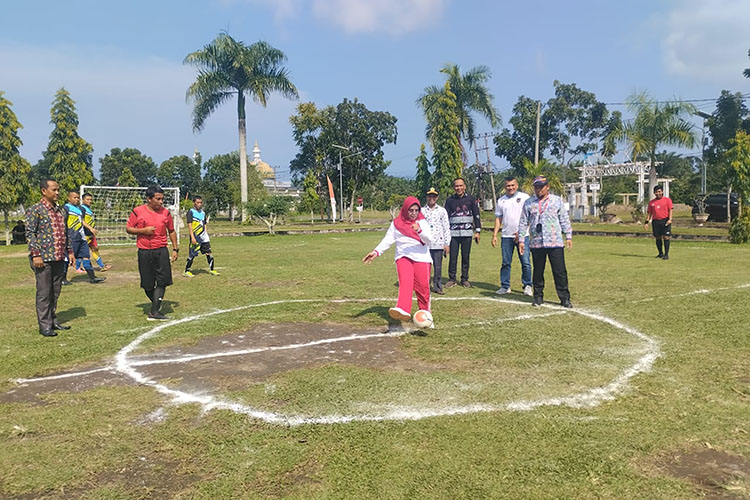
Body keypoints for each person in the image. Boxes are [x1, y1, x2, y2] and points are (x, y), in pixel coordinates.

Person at [363, 196, 433, 324]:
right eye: (411, 210)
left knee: (423, 289)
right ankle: (402, 309)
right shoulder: (396, 223)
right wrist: (376, 252)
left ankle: (426, 316)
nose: (413, 213)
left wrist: (419, 230)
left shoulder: (422, 222)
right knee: (405, 282)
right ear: (405, 209)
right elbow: (388, 239)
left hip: (422, 258)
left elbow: (428, 239)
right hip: (403, 256)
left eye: (416, 210)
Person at [25, 179, 73, 337]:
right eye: (54, 190)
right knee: (44, 292)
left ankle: (53, 319)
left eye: (58, 189)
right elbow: (30, 233)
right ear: (44, 191)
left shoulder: (61, 211)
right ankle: (44, 325)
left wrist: (70, 251)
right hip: (43, 258)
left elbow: (66, 232)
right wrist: (35, 254)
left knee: (55, 291)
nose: (57, 192)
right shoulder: (36, 210)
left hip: (59, 256)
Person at [518, 176, 573, 308]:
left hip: (555, 241)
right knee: (538, 271)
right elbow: (523, 222)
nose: (538, 189)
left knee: (559, 271)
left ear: (547, 187)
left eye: (541, 187)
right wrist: (521, 239)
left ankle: (564, 298)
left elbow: (564, 219)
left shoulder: (556, 201)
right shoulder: (529, 203)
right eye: (536, 187)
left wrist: (569, 236)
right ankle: (538, 297)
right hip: (537, 242)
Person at [126, 186, 179, 321]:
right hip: (144, 252)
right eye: (158, 199)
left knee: (163, 280)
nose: (161, 202)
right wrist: (143, 230)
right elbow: (129, 229)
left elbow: (171, 231)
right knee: (148, 284)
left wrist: (175, 248)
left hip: (161, 250)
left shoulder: (165, 213)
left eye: (162, 199)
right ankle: (156, 302)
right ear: (149, 199)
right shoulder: (138, 212)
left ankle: (154, 311)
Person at [491, 177, 532, 296]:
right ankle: (505, 286)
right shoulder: (501, 200)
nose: (511, 188)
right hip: (506, 236)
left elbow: (530, 216)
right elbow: (498, 218)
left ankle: (528, 285)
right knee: (505, 262)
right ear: (505, 187)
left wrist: (521, 232)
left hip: (523, 236)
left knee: (525, 262)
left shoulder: (525, 198)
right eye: (508, 186)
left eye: (513, 185)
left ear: (517, 185)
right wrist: (494, 235)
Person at [444, 177, 481, 288]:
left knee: (465, 257)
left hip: (467, 233)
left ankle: (464, 279)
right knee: (453, 257)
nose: (459, 188)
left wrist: (478, 231)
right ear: (454, 187)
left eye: (461, 185)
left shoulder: (471, 199)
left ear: (464, 186)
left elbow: (476, 215)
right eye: (456, 186)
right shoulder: (450, 200)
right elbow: (445, 218)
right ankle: (452, 279)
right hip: (453, 234)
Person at [63, 191, 105, 284]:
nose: (76, 199)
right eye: (74, 197)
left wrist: (90, 228)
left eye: (78, 197)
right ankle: (63, 279)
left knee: (86, 256)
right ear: (68, 198)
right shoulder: (66, 208)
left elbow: (81, 221)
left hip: (81, 237)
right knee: (67, 258)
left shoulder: (78, 209)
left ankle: (92, 278)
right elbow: (63, 223)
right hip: (72, 237)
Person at [420, 187, 450, 295]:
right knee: (425, 267)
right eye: (429, 196)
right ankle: (425, 286)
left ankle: (438, 286)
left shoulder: (442, 210)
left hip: (438, 243)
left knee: (438, 266)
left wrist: (447, 243)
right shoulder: (422, 211)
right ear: (426, 197)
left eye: (433, 196)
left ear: (437, 197)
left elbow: (446, 227)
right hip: (425, 244)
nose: (431, 198)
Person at [184, 196, 219, 277]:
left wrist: (206, 234)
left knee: (209, 252)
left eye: (201, 202)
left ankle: (212, 269)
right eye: (198, 202)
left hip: (204, 237)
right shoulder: (191, 212)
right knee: (192, 254)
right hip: (195, 236)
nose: (199, 204)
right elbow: (190, 225)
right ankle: (187, 270)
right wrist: (192, 237)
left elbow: (204, 224)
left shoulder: (203, 213)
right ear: (194, 203)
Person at [78, 192, 111, 272]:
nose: (89, 201)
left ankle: (101, 266)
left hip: (90, 234)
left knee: (95, 249)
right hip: (85, 233)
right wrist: (90, 228)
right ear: (83, 200)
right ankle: (78, 267)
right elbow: (81, 220)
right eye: (87, 199)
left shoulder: (88, 209)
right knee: (81, 251)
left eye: (90, 199)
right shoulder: (82, 208)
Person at [645, 185, 673, 260]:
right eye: (656, 192)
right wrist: (646, 222)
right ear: (654, 193)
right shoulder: (651, 203)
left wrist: (670, 219)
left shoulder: (667, 200)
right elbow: (649, 213)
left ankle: (666, 254)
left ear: (662, 192)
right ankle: (660, 253)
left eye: (659, 191)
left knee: (666, 237)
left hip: (665, 220)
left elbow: (670, 210)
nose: (658, 193)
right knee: (658, 237)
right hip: (656, 221)